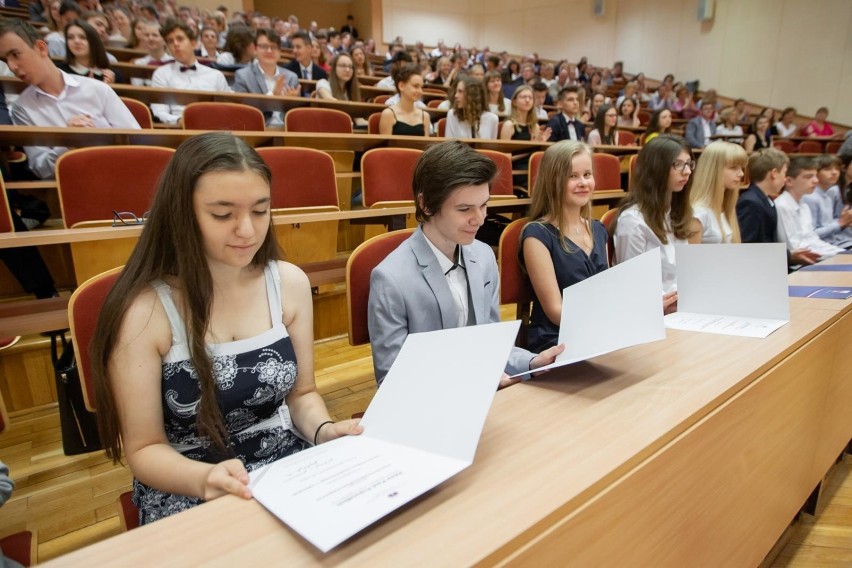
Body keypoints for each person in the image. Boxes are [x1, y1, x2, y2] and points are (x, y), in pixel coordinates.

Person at [90, 133, 362, 526]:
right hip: (190, 483)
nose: (247, 231)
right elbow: (145, 448)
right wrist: (206, 478)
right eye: (222, 215)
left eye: (261, 211)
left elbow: (302, 394)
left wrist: (322, 431)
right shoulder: (145, 310)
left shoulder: (288, 283)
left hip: (284, 465)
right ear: (181, 213)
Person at [367, 141, 564, 386]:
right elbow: (391, 379)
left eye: (484, 205)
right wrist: (472, 381)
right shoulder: (390, 278)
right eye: (464, 209)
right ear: (426, 204)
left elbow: (490, 342)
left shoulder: (483, 256)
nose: (480, 219)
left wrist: (531, 363)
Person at [0, 18, 139, 179]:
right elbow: (41, 170)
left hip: (118, 174)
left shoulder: (97, 89)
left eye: (16, 55)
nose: (11, 67)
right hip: (70, 187)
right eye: (4, 60)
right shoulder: (21, 108)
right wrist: (68, 144)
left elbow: (136, 140)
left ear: (41, 48)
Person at [520, 141, 608, 351]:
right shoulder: (537, 235)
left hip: (599, 332)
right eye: (572, 176)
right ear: (553, 181)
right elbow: (555, 310)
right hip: (557, 340)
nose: (583, 183)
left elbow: (608, 294)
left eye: (587, 174)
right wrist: (606, 326)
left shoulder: (598, 229)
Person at [612, 135, 698, 312]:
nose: (687, 171)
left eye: (689, 164)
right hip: (652, 313)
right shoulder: (632, 221)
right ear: (657, 169)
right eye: (678, 164)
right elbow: (631, 283)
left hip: (683, 308)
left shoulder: (676, 212)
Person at [736, 148, 819, 269]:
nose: (785, 179)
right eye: (784, 173)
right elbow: (750, 247)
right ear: (774, 173)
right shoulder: (751, 202)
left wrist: (789, 255)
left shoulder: (764, 199)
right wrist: (788, 256)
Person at [150, 20, 230, 125]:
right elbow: (159, 111)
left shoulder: (216, 75)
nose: (175, 44)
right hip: (179, 129)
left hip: (214, 129)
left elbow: (228, 108)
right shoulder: (161, 74)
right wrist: (178, 121)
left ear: (193, 43)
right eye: (170, 41)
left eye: (180, 39)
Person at [775, 156, 845, 260]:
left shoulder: (804, 206)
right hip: (798, 265)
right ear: (789, 181)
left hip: (817, 257)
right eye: (808, 177)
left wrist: (841, 253)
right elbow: (795, 248)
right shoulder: (782, 206)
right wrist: (836, 255)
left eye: (816, 176)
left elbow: (813, 240)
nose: (816, 181)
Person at [232, 28, 298, 127]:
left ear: (280, 51)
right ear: (255, 49)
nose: (269, 51)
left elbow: (294, 115)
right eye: (264, 46)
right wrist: (272, 95)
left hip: (286, 131)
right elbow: (243, 112)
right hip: (257, 129)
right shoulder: (243, 76)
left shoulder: (291, 77)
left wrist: (291, 103)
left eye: (274, 47)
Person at [689, 141, 747, 244]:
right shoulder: (699, 213)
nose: (741, 174)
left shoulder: (726, 208)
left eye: (741, 168)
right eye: (733, 168)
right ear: (714, 170)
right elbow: (689, 258)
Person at [800, 154, 852, 249]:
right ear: (816, 172)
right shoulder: (811, 197)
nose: (834, 173)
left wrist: (844, 220)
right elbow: (811, 234)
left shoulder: (826, 196)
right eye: (827, 169)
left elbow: (828, 224)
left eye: (837, 169)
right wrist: (840, 223)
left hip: (833, 244)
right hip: (823, 247)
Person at [57, 19, 121, 84]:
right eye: (70, 37)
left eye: (83, 37)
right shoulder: (59, 72)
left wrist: (109, 87)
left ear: (94, 42)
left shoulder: (113, 75)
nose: (76, 41)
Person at [379, 63, 430, 136]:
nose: (420, 91)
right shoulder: (388, 114)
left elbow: (425, 145)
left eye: (421, 87)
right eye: (416, 86)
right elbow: (386, 146)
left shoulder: (425, 116)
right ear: (401, 86)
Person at [284, 31, 326, 96]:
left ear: (309, 48)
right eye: (293, 47)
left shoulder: (321, 73)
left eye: (298, 47)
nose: (294, 50)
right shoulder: (286, 70)